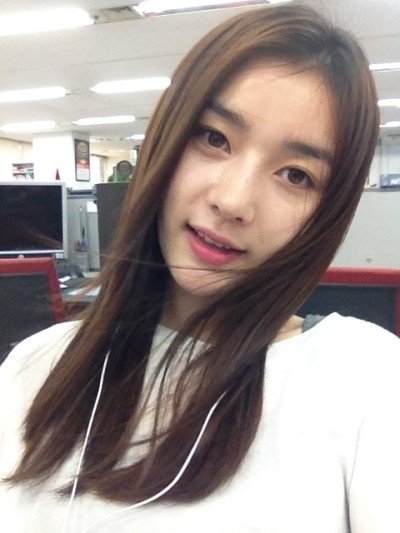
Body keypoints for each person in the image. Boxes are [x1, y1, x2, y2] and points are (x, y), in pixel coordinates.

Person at [1, 4, 399, 533]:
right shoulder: (36, 365)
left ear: (326, 214)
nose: (233, 201)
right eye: (214, 138)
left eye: (295, 175)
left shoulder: (366, 378)